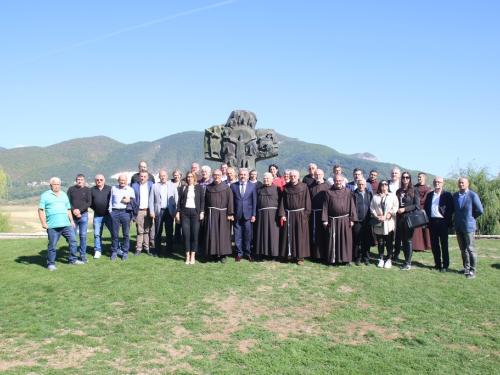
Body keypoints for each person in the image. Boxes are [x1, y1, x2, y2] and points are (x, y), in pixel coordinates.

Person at [38, 177, 84, 270]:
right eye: (54, 184)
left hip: (66, 224)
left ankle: (73, 259)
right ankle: (51, 264)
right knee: (52, 246)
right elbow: (40, 210)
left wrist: (71, 221)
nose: (56, 186)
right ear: (51, 185)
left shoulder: (63, 195)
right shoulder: (45, 195)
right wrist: (43, 223)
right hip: (52, 225)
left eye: (58, 184)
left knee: (73, 241)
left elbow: (68, 209)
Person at [322, 174, 357, 266]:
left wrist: (352, 219)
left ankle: (346, 260)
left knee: (345, 240)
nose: (338, 182)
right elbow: (325, 207)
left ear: (343, 181)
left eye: (340, 181)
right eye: (336, 180)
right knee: (332, 240)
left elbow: (352, 206)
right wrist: (325, 220)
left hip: (345, 220)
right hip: (332, 220)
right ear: (333, 181)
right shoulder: (328, 192)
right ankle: (332, 260)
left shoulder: (348, 192)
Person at [453, 177, 483, 279]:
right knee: (463, 249)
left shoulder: (472, 195)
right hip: (459, 226)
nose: (461, 184)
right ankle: (466, 267)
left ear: (468, 184)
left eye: (463, 183)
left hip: (468, 226)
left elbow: (479, 210)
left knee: (471, 249)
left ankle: (472, 270)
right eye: (459, 183)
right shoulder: (456, 195)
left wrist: (471, 218)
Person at [279, 170, 311, 265]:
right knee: (289, 235)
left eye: (294, 176)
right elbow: (282, 202)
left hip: (300, 215)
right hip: (289, 214)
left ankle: (300, 257)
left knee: (300, 236)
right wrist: (283, 214)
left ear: (298, 176)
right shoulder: (286, 188)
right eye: (291, 176)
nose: (292, 177)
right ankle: (289, 255)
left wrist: (306, 214)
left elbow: (307, 201)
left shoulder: (304, 187)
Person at [424, 177, 454, 272]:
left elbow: (450, 209)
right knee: (434, 244)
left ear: (442, 183)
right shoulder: (429, 195)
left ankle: (445, 265)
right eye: (435, 182)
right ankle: (437, 263)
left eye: (439, 182)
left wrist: (446, 221)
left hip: (442, 222)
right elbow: (426, 208)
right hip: (432, 222)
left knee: (444, 244)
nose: (437, 183)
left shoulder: (447, 195)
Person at [204, 169, 234, 263]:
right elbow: (205, 202)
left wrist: (230, 213)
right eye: (215, 175)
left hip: (223, 214)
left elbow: (230, 201)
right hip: (211, 214)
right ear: (212, 176)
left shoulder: (226, 188)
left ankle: (223, 255)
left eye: (218, 175)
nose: (217, 176)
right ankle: (213, 255)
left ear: (221, 175)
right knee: (212, 234)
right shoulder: (209, 188)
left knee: (223, 234)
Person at [175, 171, 205, 264]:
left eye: (191, 177)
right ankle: (187, 256)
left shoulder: (199, 187)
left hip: (195, 213)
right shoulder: (183, 188)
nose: (190, 178)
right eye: (188, 177)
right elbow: (179, 201)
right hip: (185, 213)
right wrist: (178, 213)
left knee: (194, 234)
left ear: (194, 177)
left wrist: (202, 212)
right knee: (186, 234)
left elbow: (202, 201)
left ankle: (193, 256)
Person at [149, 170, 178, 258]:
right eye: (161, 176)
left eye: (164, 175)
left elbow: (176, 199)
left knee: (169, 232)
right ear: (159, 177)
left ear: (167, 176)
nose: (163, 177)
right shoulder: (154, 186)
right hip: (158, 211)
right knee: (158, 232)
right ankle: (157, 251)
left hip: (169, 211)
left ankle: (169, 251)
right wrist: (152, 212)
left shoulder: (172, 186)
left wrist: (175, 211)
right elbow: (151, 200)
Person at [370, 180, 398, 268]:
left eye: (386, 184)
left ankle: (389, 259)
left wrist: (388, 215)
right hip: (378, 222)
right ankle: (380, 258)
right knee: (380, 241)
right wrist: (376, 216)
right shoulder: (375, 197)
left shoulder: (392, 196)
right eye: (382, 184)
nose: (384, 186)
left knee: (389, 241)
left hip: (389, 223)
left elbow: (395, 207)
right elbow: (372, 207)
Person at [231, 168, 257, 262]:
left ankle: (248, 253)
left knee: (247, 235)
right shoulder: (233, 186)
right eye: (241, 174)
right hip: (237, 215)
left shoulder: (252, 186)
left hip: (248, 215)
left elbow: (254, 201)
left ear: (248, 176)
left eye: (244, 175)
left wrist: (254, 214)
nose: (243, 176)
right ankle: (239, 253)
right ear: (238, 176)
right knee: (237, 235)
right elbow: (231, 201)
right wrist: (231, 213)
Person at [395, 172, 420, 270]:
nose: (405, 179)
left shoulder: (414, 190)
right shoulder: (398, 191)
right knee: (403, 240)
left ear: (410, 179)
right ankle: (405, 260)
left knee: (408, 240)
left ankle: (408, 262)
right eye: (403, 177)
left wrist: (405, 209)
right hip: (400, 218)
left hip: (409, 218)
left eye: (407, 177)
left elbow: (416, 205)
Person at [254, 172, 281, 261]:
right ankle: (263, 254)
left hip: (274, 215)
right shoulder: (259, 189)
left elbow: (281, 203)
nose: (265, 180)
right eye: (264, 178)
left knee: (273, 235)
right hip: (262, 215)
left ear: (272, 179)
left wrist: (280, 214)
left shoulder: (277, 189)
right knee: (262, 234)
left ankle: (274, 254)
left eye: (267, 178)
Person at [109, 174, 136, 260]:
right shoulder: (114, 188)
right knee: (115, 234)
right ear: (118, 180)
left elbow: (134, 203)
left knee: (126, 234)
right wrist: (111, 212)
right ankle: (114, 251)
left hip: (125, 212)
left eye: (124, 180)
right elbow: (110, 201)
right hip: (115, 211)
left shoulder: (130, 190)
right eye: (121, 180)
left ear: (126, 180)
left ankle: (125, 252)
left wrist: (129, 200)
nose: (122, 182)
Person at [67, 174, 92, 262]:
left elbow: (89, 202)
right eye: (78, 179)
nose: (80, 181)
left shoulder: (87, 190)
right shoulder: (71, 189)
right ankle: (72, 255)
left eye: (81, 179)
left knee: (83, 236)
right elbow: (67, 202)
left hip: (83, 216)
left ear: (84, 181)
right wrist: (74, 210)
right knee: (72, 237)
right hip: (73, 217)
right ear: (76, 180)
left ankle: (82, 255)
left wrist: (79, 211)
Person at [90, 174, 114, 258]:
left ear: (104, 180)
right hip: (98, 216)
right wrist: (96, 208)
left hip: (109, 215)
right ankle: (97, 250)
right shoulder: (92, 190)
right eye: (97, 180)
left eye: (101, 179)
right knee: (97, 234)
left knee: (114, 233)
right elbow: (90, 203)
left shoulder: (109, 189)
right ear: (95, 181)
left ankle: (116, 248)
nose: (99, 181)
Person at [131, 170, 154, 256]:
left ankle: (147, 248)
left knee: (147, 230)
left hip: (148, 210)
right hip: (139, 211)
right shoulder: (134, 186)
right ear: (139, 177)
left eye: (144, 176)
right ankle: (138, 248)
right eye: (141, 176)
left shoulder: (151, 185)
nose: (143, 178)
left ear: (147, 177)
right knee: (139, 230)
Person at [309, 169, 329, 260]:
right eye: (316, 175)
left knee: (324, 234)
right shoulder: (310, 186)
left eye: (320, 174)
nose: (318, 176)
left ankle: (325, 254)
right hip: (314, 214)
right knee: (315, 234)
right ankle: (315, 255)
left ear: (323, 175)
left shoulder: (328, 186)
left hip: (324, 214)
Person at [352, 178, 373, 266]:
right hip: (357, 221)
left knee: (366, 241)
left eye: (363, 184)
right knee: (357, 241)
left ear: (366, 185)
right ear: (357, 184)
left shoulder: (369, 194)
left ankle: (366, 258)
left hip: (367, 221)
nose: (361, 186)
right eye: (359, 184)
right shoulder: (353, 194)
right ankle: (357, 258)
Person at [413, 172, 432, 251]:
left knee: (425, 228)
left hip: (424, 209)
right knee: (416, 229)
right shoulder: (414, 187)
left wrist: (418, 201)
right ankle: (417, 246)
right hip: (415, 209)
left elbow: (425, 198)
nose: (419, 178)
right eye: (418, 177)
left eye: (421, 177)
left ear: (425, 178)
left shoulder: (427, 189)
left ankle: (427, 245)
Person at [171, 169, 186, 244]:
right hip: (171, 204)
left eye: (178, 175)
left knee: (179, 223)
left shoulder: (184, 183)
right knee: (171, 223)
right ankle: (173, 239)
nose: (176, 177)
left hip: (180, 205)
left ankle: (181, 239)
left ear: (180, 176)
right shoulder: (170, 183)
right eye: (175, 175)